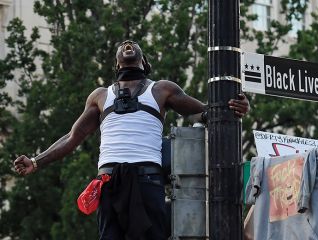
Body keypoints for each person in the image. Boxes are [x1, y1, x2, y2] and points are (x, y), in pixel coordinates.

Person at [13, 40, 250, 240]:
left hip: (146, 181)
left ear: (143, 63)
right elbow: (73, 136)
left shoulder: (161, 90)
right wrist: (36, 161)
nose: (128, 44)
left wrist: (236, 107)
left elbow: (206, 114)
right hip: (108, 183)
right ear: (117, 64)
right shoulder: (100, 96)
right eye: (123, 45)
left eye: (134, 45)